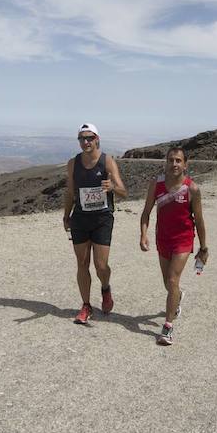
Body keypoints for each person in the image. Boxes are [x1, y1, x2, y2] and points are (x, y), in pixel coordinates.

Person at [139, 147, 208, 345]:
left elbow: (200, 221)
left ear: (185, 164)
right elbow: (146, 213)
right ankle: (177, 298)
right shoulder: (156, 184)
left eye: (178, 160)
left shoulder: (192, 189)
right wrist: (143, 235)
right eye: (171, 160)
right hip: (163, 239)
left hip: (183, 239)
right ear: (166, 162)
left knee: (172, 279)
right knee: (168, 284)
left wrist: (203, 248)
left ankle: (168, 327)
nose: (174, 164)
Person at [63, 123, 127, 325]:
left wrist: (113, 187)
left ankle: (105, 287)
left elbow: (124, 191)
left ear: (97, 138)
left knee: (100, 265)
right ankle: (86, 305)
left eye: (89, 137)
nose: (86, 142)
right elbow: (70, 192)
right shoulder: (73, 163)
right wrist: (66, 215)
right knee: (82, 264)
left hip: (102, 219)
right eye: (82, 138)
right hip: (80, 218)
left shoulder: (107, 161)